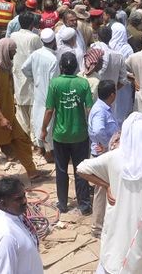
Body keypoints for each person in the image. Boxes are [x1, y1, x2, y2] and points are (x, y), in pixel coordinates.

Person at [77, 113, 142, 274]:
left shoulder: (113, 157)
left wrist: (106, 185)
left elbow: (81, 168)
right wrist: (107, 185)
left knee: (111, 260)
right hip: (141, 233)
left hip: (114, 227)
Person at [0, 39, 42, 182]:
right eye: (13, 50)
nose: (15, 52)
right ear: (6, 51)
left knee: (22, 141)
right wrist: (0, 118)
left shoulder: (6, 67)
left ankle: (32, 172)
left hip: (9, 115)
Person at [41, 52, 93, 214]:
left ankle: (62, 204)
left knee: (61, 170)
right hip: (80, 134)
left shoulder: (55, 84)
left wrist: (43, 129)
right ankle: (84, 205)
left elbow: (50, 110)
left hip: (60, 135)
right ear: (76, 67)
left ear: (61, 67)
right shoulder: (83, 84)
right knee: (81, 170)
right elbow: (90, 109)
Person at [0, 176, 43, 274]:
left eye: (24, 195)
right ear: (3, 203)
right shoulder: (5, 237)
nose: (25, 201)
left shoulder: (14, 215)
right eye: (18, 199)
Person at [86, 80, 120, 237]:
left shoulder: (103, 107)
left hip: (105, 153)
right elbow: (99, 130)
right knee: (101, 190)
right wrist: (107, 144)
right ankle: (97, 227)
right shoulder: (100, 110)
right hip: (103, 154)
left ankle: (103, 223)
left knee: (106, 188)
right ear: (112, 94)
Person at [21, 28, 60, 161]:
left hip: (38, 92)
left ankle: (41, 148)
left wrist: (34, 80)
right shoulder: (53, 60)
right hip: (49, 94)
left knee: (38, 120)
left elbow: (24, 68)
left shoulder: (36, 54)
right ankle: (49, 152)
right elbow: (54, 83)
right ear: (53, 41)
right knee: (48, 122)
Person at [11, 12, 41, 135]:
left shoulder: (13, 35)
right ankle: (34, 140)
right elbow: (40, 55)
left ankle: (23, 138)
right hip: (31, 76)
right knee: (33, 110)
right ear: (32, 24)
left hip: (18, 74)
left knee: (21, 109)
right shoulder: (34, 38)